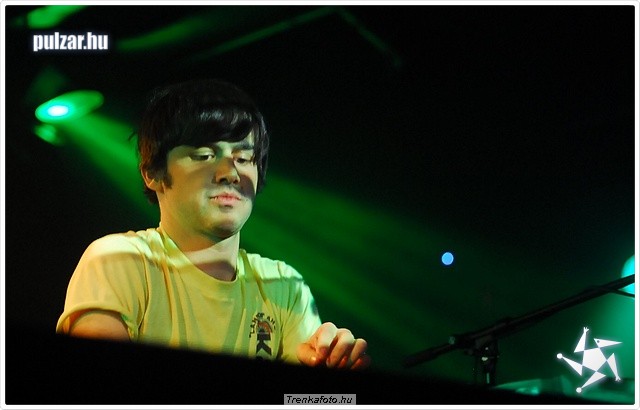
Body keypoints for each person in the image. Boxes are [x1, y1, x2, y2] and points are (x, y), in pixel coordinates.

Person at [56, 78, 370, 370]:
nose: (230, 173)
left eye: (243, 159)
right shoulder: (118, 260)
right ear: (153, 173)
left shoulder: (284, 285)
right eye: (205, 155)